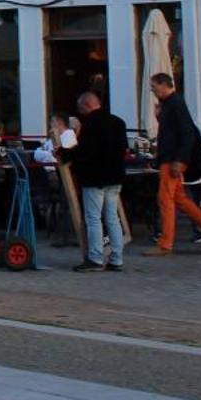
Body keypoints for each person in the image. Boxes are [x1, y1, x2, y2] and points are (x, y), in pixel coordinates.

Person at [146, 72, 201, 256]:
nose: (153, 90)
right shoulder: (171, 104)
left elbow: (187, 133)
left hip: (171, 159)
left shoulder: (175, 103)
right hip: (171, 157)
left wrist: (180, 160)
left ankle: (165, 243)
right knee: (180, 199)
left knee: (165, 200)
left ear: (164, 85)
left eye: (154, 87)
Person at [61, 90, 127, 272]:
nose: (80, 111)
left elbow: (85, 152)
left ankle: (96, 258)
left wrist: (64, 154)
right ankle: (117, 258)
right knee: (112, 217)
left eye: (80, 107)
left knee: (93, 218)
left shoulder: (90, 124)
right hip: (115, 177)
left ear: (87, 105)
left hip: (95, 177)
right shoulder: (118, 122)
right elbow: (123, 149)